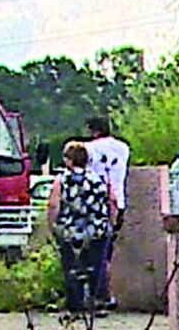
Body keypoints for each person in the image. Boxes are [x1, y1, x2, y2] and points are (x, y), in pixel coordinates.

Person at [46, 142, 110, 314]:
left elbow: (54, 204)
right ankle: (97, 302)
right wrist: (108, 222)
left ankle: (75, 305)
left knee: (72, 268)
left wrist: (51, 225)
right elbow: (112, 201)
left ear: (69, 160)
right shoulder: (99, 179)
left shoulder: (62, 180)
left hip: (70, 231)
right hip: (96, 230)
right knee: (96, 266)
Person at [84, 116, 131, 310]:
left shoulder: (89, 148)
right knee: (107, 251)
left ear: (94, 131)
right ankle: (107, 293)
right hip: (118, 203)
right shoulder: (123, 148)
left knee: (93, 252)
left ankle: (98, 294)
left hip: (95, 203)